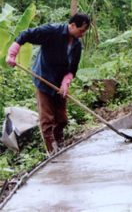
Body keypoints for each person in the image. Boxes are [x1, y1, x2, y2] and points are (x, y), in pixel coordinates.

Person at [6, 13, 91, 155]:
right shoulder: (52, 31)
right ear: (72, 25)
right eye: (81, 30)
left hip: (59, 83)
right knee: (47, 119)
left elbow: (73, 67)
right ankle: (52, 153)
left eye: (85, 31)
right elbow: (25, 34)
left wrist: (66, 81)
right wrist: (12, 53)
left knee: (62, 118)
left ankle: (62, 147)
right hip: (44, 79)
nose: (83, 34)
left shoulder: (77, 43)